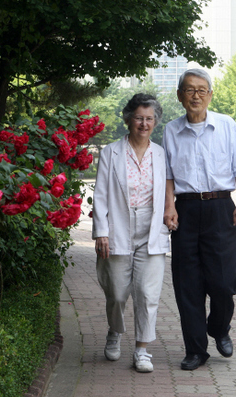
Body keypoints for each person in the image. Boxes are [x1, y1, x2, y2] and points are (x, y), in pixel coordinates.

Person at [162, 69, 236, 371]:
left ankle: (220, 328)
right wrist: (169, 207)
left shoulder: (226, 125)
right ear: (180, 96)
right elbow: (169, 176)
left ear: (210, 95)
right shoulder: (171, 130)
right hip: (186, 211)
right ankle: (196, 350)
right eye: (189, 90)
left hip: (220, 209)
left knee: (225, 281)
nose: (196, 95)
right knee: (187, 284)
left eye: (202, 90)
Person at [92, 93, 170, 373]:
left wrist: (170, 214)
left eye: (149, 119)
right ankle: (115, 331)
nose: (144, 123)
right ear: (128, 119)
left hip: (151, 226)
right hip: (117, 227)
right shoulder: (111, 152)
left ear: (155, 122)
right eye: (139, 118)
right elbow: (100, 194)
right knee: (116, 291)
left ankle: (142, 349)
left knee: (148, 293)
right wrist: (101, 231)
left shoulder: (161, 154)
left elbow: (169, 190)